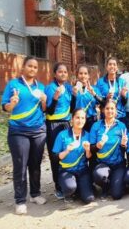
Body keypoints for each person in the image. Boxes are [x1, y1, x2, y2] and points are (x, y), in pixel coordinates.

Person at [1, 56, 47, 215]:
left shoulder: (40, 86)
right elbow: (5, 108)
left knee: (35, 165)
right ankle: (20, 200)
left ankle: (35, 194)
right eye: (30, 66)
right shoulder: (13, 84)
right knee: (20, 166)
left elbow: (44, 108)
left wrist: (44, 100)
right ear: (23, 67)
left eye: (35, 67)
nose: (33, 69)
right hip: (18, 131)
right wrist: (12, 104)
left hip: (38, 131)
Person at [45, 62, 75, 199]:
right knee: (55, 155)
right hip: (53, 125)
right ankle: (58, 186)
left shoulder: (68, 87)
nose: (63, 74)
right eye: (60, 72)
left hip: (66, 124)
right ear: (54, 74)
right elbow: (49, 110)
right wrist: (56, 97)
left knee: (68, 152)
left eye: (65, 72)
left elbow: (73, 108)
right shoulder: (50, 88)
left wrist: (74, 95)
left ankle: (67, 181)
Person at [52, 109, 95, 204]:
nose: (80, 121)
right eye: (77, 118)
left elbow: (89, 157)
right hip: (66, 171)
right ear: (72, 119)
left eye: (82, 118)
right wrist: (67, 151)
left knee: (89, 199)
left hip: (82, 170)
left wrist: (88, 150)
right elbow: (55, 157)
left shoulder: (87, 135)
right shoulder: (62, 135)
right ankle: (69, 192)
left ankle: (79, 188)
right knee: (70, 188)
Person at [89, 100, 128, 200]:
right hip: (103, 163)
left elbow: (124, 151)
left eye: (112, 108)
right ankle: (105, 188)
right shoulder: (96, 126)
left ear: (115, 111)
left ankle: (115, 183)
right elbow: (91, 149)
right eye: (107, 108)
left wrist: (123, 145)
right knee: (99, 175)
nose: (109, 111)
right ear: (102, 110)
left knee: (116, 195)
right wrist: (97, 146)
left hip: (118, 164)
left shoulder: (121, 126)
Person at [95, 56, 128, 125]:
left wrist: (123, 95)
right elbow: (97, 101)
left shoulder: (122, 82)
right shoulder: (100, 82)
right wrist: (106, 98)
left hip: (120, 116)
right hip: (106, 115)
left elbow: (125, 102)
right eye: (110, 64)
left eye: (114, 64)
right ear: (106, 67)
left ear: (117, 67)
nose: (112, 66)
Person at [72, 65, 103, 132]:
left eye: (85, 73)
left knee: (91, 141)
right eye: (80, 73)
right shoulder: (72, 90)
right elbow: (71, 109)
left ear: (89, 76)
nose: (83, 76)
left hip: (91, 120)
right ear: (77, 75)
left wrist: (94, 94)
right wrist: (74, 94)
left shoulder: (94, 89)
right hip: (78, 120)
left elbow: (103, 103)